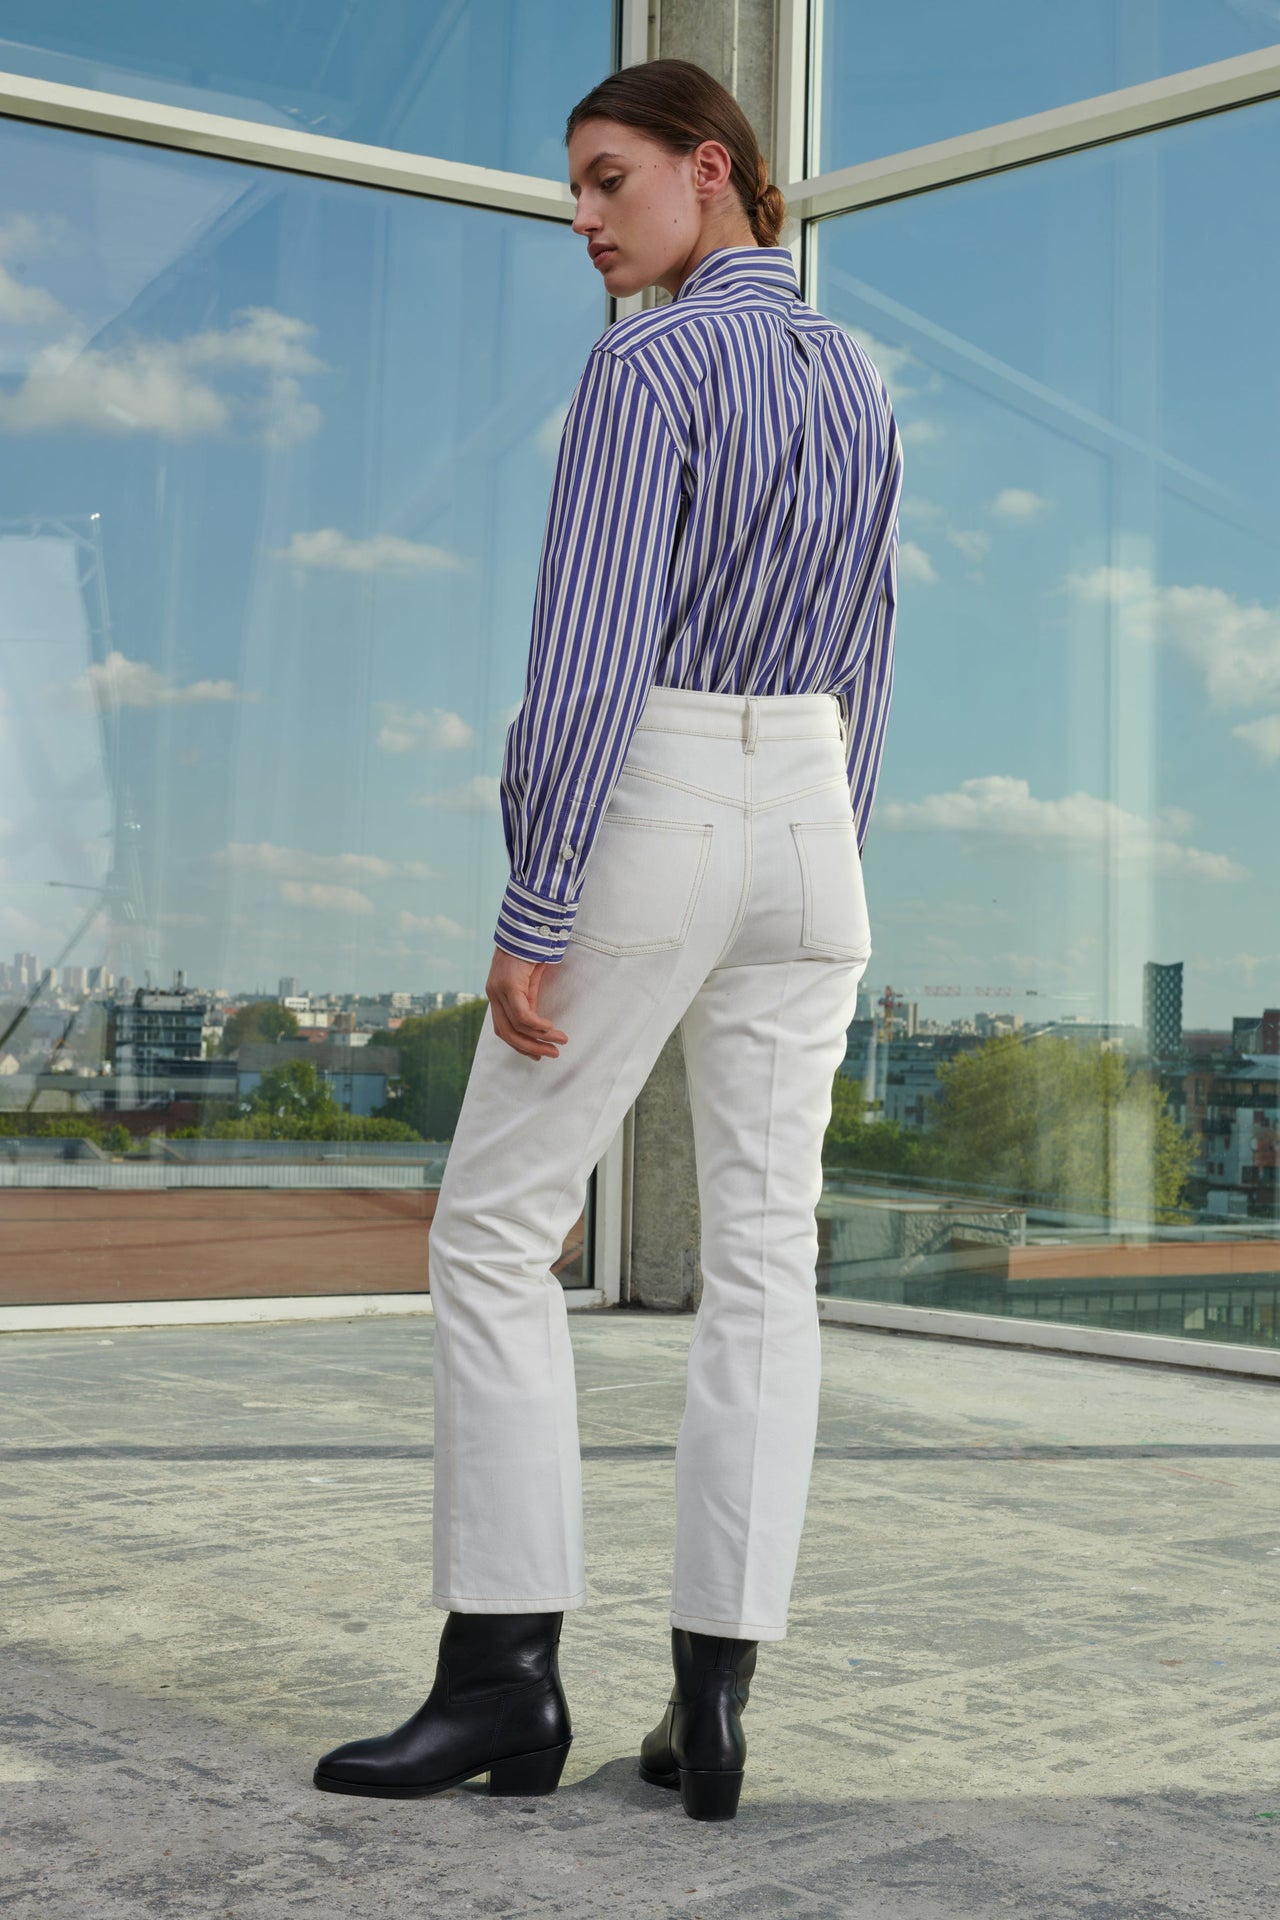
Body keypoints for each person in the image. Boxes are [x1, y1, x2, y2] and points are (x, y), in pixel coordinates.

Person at [314, 56, 902, 1823]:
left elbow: (587, 655)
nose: (580, 216)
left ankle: (503, 1676)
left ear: (710, 168)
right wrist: (820, 841)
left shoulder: (645, 366)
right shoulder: (858, 375)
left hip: (662, 792)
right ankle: (713, 1702)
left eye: (606, 176)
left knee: (493, 1231)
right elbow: (871, 647)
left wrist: (536, 900)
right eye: (572, 186)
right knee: (766, 1259)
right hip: (813, 817)